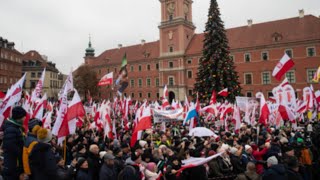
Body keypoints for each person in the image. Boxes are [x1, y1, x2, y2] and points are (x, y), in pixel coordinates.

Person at [2, 106, 26, 180]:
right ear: (19, 117)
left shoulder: (16, 127)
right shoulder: (11, 129)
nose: (25, 118)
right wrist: (22, 152)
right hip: (13, 165)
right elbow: (9, 145)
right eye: (24, 116)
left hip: (15, 164)